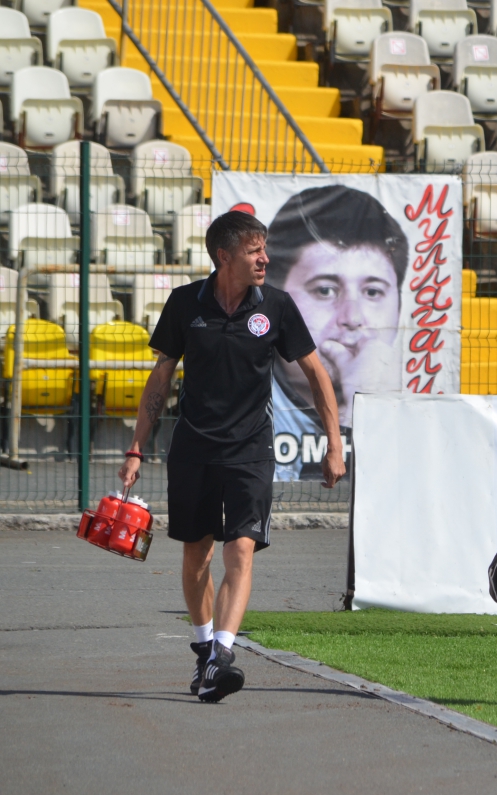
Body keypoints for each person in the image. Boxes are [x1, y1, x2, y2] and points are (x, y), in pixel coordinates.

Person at [118, 211, 346, 703]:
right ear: (224, 257)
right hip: (193, 449)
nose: (264, 259)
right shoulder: (185, 303)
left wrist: (334, 443)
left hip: (251, 450)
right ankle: (204, 650)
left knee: (240, 549)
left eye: (264, 249)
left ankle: (221, 655)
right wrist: (137, 447)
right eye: (253, 250)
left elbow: (316, 374)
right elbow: (160, 378)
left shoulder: (277, 306)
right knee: (196, 554)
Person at [264, 186, 408, 481]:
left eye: (373, 292)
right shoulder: (251, 397)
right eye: (325, 290)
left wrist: (366, 407)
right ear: (277, 297)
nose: (352, 318)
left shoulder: (417, 414)